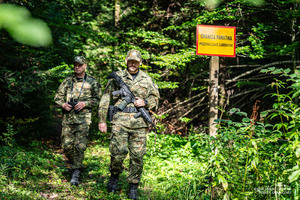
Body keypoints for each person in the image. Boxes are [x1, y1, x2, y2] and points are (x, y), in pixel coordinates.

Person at [98, 49, 159, 200]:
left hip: (139, 123)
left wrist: (145, 102)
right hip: (120, 121)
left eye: (136, 61)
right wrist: (101, 120)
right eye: (130, 61)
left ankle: (133, 186)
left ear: (140, 63)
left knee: (137, 156)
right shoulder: (117, 77)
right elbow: (106, 98)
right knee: (117, 153)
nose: (133, 63)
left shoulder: (147, 79)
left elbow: (155, 99)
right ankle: (114, 178)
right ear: (126, 61)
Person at [54, 56, 101, 186]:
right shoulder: (68, 81)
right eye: (75, 65)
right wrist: (63, 105)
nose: (77, 67)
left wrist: (85, 103)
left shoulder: (92, 81)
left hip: (83, 120)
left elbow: (98, 98)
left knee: (80, 146)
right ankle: (77, 165)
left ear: (85, 65)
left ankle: (75, 173)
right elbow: (57, 97)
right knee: (66, 146)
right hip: (68, 118)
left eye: (80, 65)